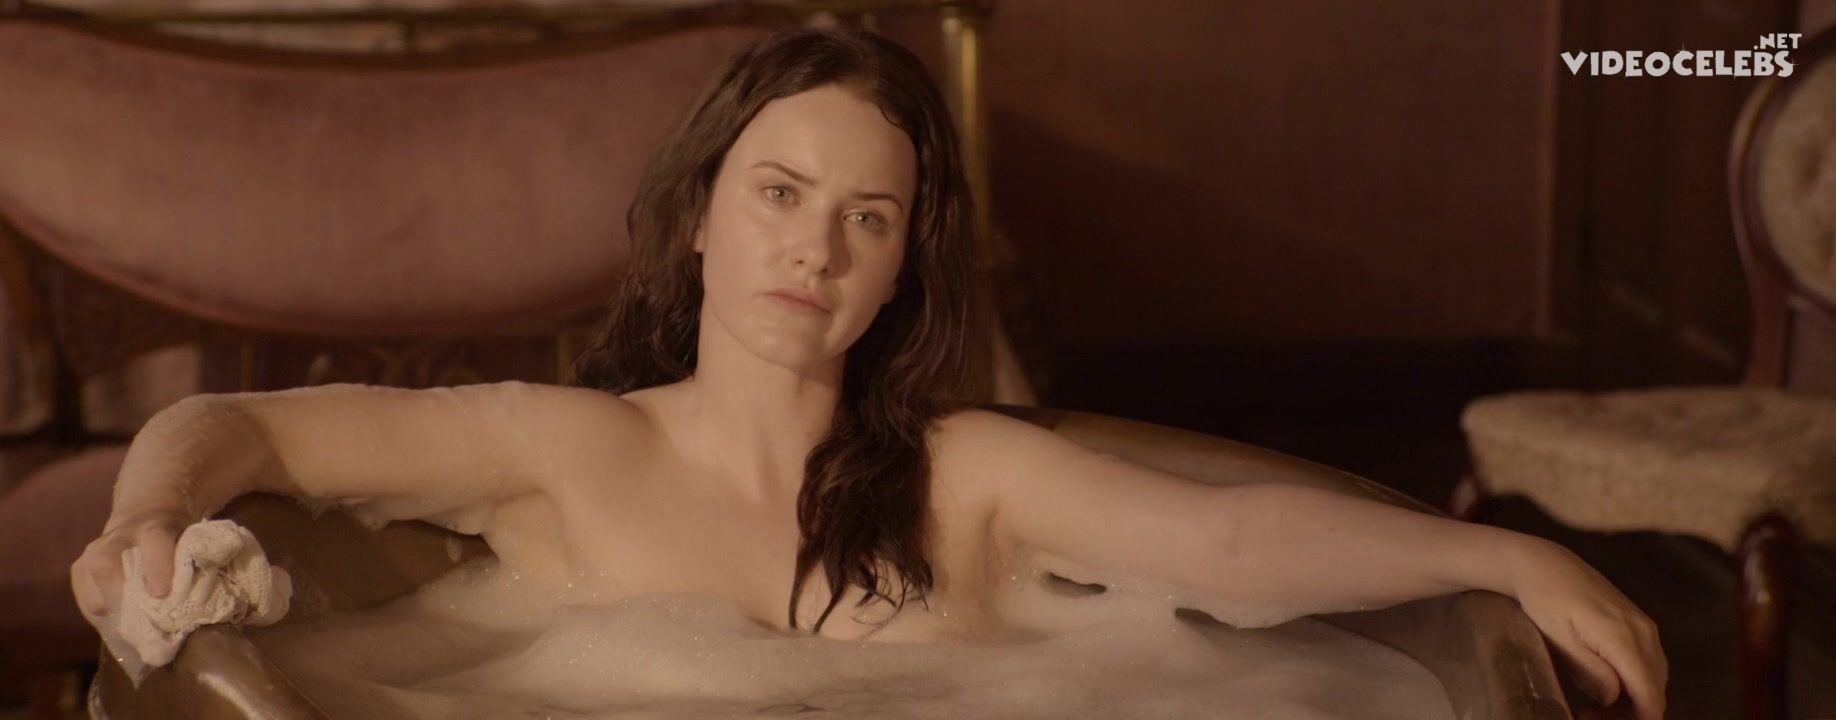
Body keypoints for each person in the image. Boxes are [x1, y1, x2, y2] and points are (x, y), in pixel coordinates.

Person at [69, 26, 1666, 720]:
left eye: (868, 218)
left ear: (904, 267)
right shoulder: (565, 454)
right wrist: (145, 520)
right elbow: (242, 424)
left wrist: (1502, 556)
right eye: (779, 194)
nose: (815, 249)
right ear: (700, 217)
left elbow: (1230, 539)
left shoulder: (967, 478)